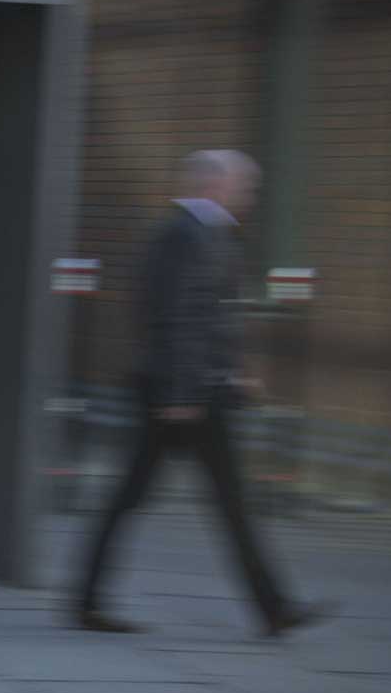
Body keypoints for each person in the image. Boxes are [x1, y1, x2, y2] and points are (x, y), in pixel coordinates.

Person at [74, 150, 325, 639]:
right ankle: (87, 601)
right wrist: (181, 393)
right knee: (141, 499)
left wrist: (234, 372)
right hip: (181, 397)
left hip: (193, 391)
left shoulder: (205, 234)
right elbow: (175, 319)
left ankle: (272, 607)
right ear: (214, 185)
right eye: (243, 187)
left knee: (202, 502)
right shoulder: (182, 235)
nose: (249, 197)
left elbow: (210, 316)